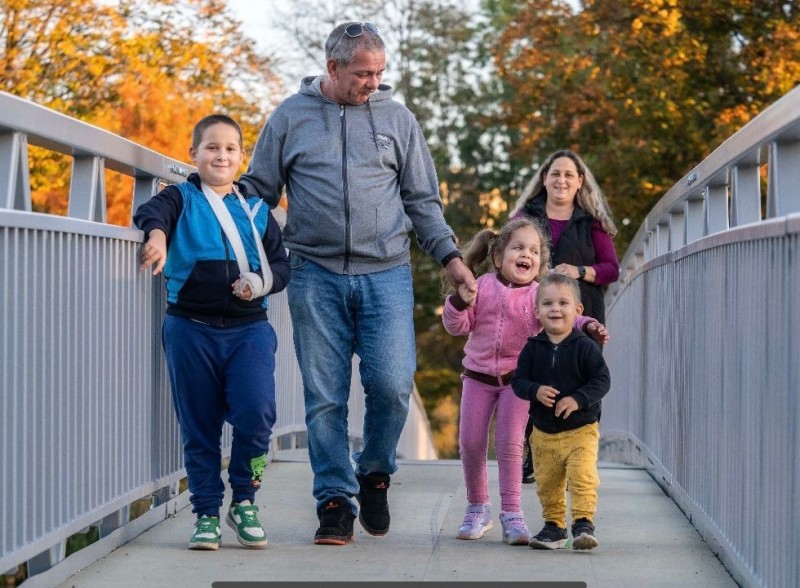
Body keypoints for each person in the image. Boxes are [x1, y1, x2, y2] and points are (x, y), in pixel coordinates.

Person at [237, 22, 475, 546]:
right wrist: (214, 218)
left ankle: (374, 473)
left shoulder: (397, 119)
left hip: (386, 272)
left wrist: (451, 258)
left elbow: (422, 201)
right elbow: (258, 189)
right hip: (314, 273)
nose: (373, 82)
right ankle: (334, 501)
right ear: (333, 69)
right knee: (325, 398)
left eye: (379, 72)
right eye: (363, 73)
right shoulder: (290, 117)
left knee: (391, 385)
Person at [134, 114, 291, 551]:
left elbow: (281, 267)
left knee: (257, 413)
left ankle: (244, 500)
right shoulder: (180, 198)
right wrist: (159, 237)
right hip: (189, 328)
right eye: (211, 148)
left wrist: (258, 284)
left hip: (249, 330)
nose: (220, 155)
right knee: (199, 426)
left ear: (242, 157)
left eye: (229, 149)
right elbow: (151, 212)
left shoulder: (258, 211)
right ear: (194, 154)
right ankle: (205, 512)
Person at [441, 218, 609, 546]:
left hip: (518, 382)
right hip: (477, 378)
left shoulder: (538, 295)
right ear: (499, 255)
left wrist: (588, 326)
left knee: (510, 444)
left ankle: (512, 514)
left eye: (533, 251)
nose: (526, 255)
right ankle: (477, 508)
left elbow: (563, 314)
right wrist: (460, 300)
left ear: (540, 262)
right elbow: (456, 326)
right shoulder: (483, 285)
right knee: (472, 443)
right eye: (518, 248)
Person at [510, 149, 619, 484]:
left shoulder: (591, 223)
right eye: (555, 174)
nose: (561, 180)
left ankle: (580, 457)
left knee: (583, 380)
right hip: (532, 312)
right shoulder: (524, 217)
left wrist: (580, 270)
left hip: (581, 315)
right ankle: (533, 457)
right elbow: (505, 253)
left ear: (580, 182)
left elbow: (611, 269)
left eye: (569, 175)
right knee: (536, 378)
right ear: (544, 179)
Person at [512, 273, 611, 551]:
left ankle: (582, 524)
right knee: (547, 482)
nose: (555, 308)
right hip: (543, 433)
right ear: (537, 312)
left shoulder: (585, 347)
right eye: (547, 303)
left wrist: (579, 399)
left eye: (563, 303)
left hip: (581, 429)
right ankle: (554, 527)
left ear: (577, 310)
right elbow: (518, 381)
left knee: (582, 476)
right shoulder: (532, 349)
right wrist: (535, 391)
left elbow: (602, 380)